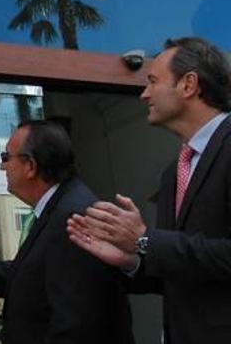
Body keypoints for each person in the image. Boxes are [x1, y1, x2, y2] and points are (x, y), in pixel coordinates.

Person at [68, 36, 231, 343]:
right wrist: (132, 259)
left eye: (153, 81)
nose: (144, 94)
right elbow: (180, 270)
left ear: (189, 85)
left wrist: (144, 241)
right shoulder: (173, 173)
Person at [0, 120, 133, 343]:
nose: (1, 166)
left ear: (30, 166)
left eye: (6, 157)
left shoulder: (73, 218)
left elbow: (76, 322)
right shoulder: (58, 208)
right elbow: (32, 274)